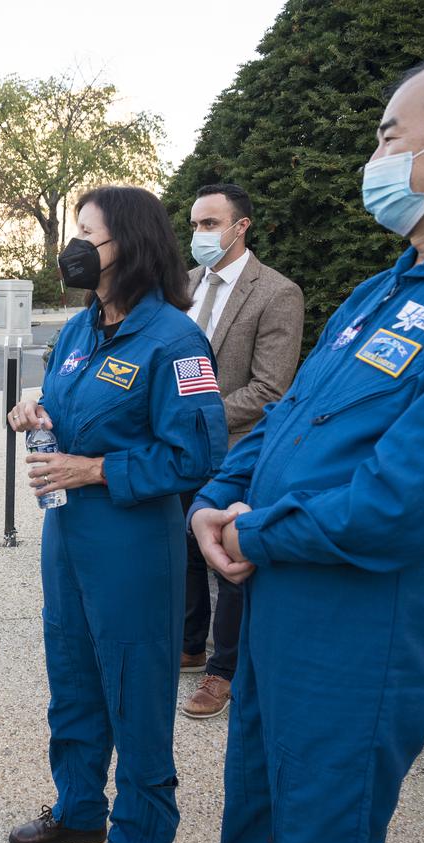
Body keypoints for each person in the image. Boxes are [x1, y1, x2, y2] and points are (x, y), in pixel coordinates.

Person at [190, 50, 424, 843]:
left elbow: (408, 504)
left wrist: (251, 531)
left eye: (391, 137)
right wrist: (214, 497)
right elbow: (290, 417)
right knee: (253, 823)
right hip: (279, 616)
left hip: (355, 641)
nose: (375, 158)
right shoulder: (382, 289)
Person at [7, 186, 228, 843]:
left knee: (135, 690)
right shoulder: (81, 328)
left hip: (131, 540)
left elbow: (197, 454)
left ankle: (143, 831)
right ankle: (79, 808)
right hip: (67, 532)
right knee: (72, 677)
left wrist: (95, 469)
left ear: (127, 244)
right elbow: (66, 406)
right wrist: (33, 413)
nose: (73, 247)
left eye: (88, 234)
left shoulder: (176, 340)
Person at [179, 184, 304, 720]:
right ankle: (189, 646)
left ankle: (223, 670)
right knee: (184, 547)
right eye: (194, 225)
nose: (199, 234)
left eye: (210, 224)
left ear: (241, 226)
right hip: (177, 448)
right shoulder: (181, 285)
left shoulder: (276, 293)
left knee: (229, 559)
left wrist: (193, 418)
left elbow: (270, 389)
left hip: (235, 451)